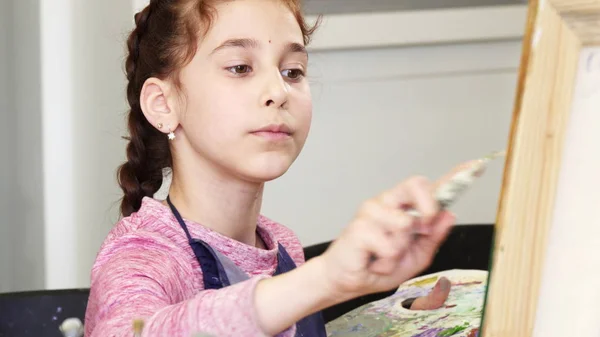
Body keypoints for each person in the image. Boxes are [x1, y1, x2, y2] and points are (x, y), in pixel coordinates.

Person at [84, 0, 459, 336]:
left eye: (292, 71)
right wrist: (326, 278)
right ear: (163, 104)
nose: (278, 92)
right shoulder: (140, 256)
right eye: (240, 67)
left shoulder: (282, 246)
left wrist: (402, 324)